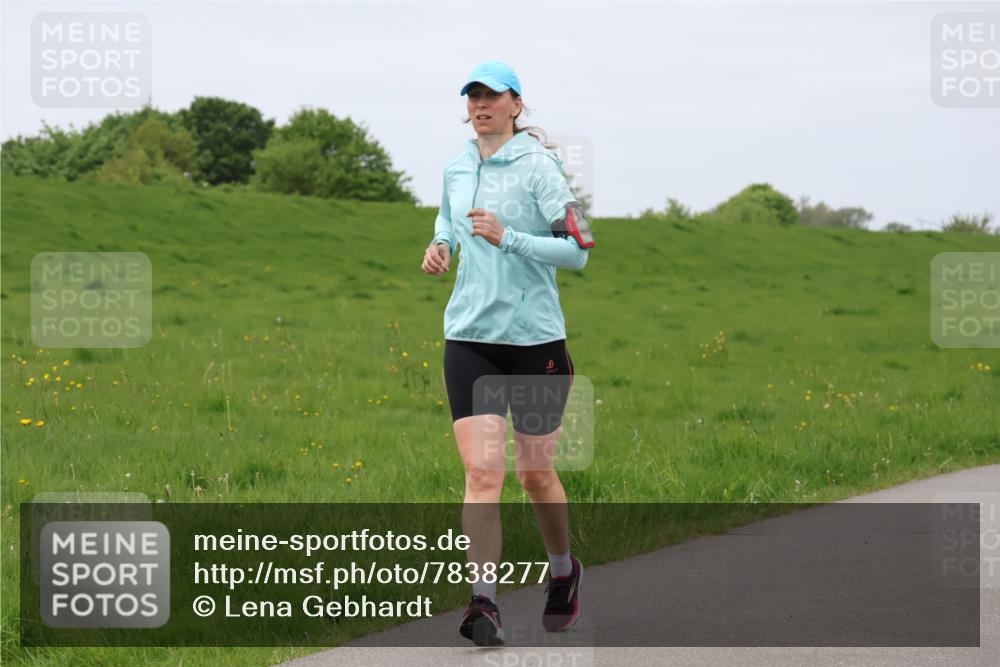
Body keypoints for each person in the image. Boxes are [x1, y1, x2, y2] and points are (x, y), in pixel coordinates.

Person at [421, 60, 595, 647]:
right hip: (469, 338)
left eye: (491, 95)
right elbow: (448, 214)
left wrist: (508, 237)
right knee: (481, 471)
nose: (480, 104)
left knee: (534, 472)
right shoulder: (455, 164)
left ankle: (563, 571)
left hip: (535, 343)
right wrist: (441, 242)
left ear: (517, 104)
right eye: (472, 96)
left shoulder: (539, 166)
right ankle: (485, 602)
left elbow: (577, 254)